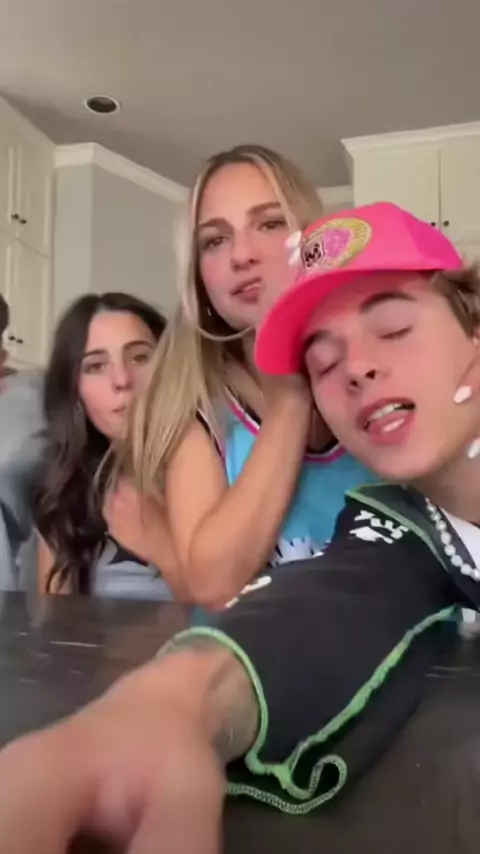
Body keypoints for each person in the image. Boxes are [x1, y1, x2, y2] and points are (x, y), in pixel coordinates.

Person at [4, 203, 480, 852]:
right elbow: (314, 612)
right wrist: (170, 707)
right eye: (322, 362)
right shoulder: (394, 529)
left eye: (394, 328)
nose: (357, 367)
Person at [127, 144, 375, 611]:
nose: (241, 254)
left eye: (270, 223)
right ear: (199, 277)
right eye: (214, 241)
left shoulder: (375, 367)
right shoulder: (195, 402)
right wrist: (290, 398)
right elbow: (214, 585)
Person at [35, 292, 181, 599]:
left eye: (140, 357)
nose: (122, 379)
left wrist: (163, 548)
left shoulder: (221, 464)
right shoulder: (65, 493)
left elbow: (242, 613)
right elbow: (57, 623)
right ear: (74, 391)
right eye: (96, 366)